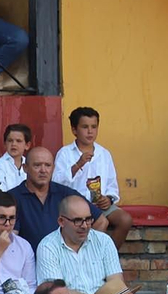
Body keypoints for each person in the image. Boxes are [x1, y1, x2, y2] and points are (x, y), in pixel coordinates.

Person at [55, 106, 133, 248]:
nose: (90, 131)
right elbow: (56, 182)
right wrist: (78, 164)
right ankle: (85, 257)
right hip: (76, 205)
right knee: (101, 221)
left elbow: (111, 184)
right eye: (85, 127)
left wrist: (108, 199)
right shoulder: (65, 153)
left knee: (125, 220)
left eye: (94, 127)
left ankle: (108, 258)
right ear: (74, 130)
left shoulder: (104, 154)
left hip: (100, 204)